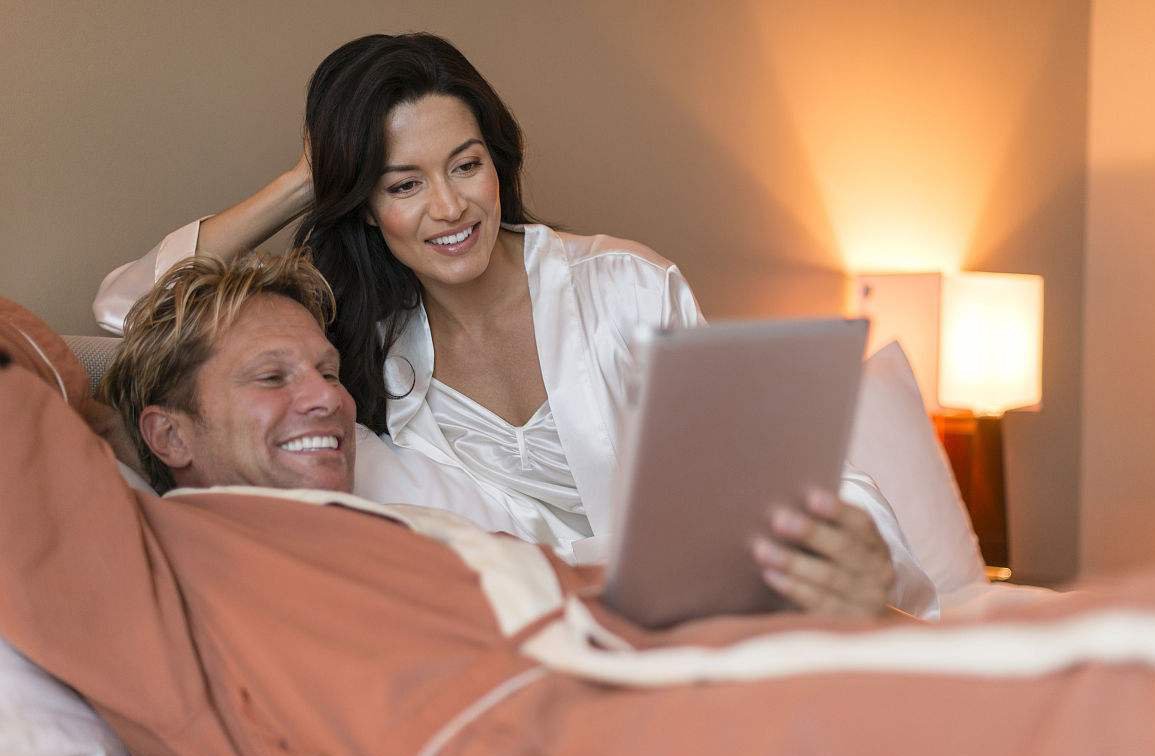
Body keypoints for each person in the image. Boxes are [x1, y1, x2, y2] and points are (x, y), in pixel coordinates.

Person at [8, 251, 1155, 755]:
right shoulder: (157, 557)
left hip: (654, 672)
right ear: (166, 436)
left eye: (328, 369)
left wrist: (854, 610)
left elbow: (620, 600)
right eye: (271, 379)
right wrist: (88, 409)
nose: (326, 400)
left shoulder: (415, 522)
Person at [92, 34, 932, 616]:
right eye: (403, 183)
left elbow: (778, 476)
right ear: (363, 204)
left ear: (499, 162)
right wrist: (307, 176)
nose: (451, 208)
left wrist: (855, 541)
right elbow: (132, 313)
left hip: (710, 617)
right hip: (553, 641)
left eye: (466, 165)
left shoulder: (623, 287)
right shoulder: (348, 348)